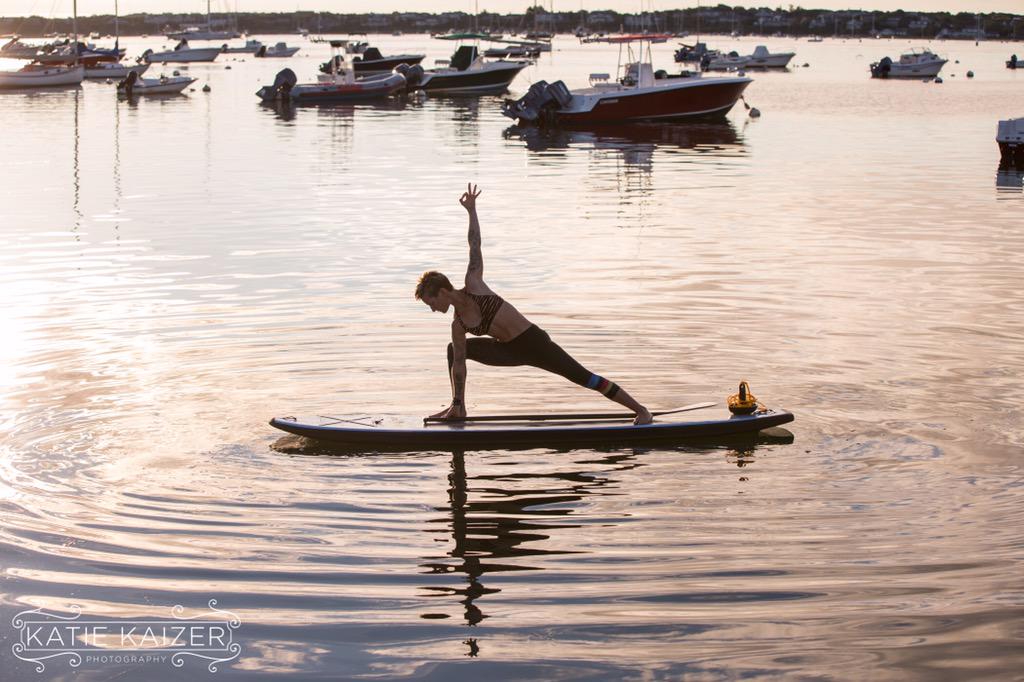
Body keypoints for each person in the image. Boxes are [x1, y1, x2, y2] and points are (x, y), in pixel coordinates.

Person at [415, 183, 653, 425]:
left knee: (584, 377)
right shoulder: (458, 325)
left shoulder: (474, 283)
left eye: (431, 302)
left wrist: (471, 211)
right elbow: (458, 365)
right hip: (507, 350)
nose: (432, 308)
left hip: (535, 343)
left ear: (443, 291)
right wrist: (457, 401)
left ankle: (641, 410)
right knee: (454, 350)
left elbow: (474, 245)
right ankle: (458, 408)